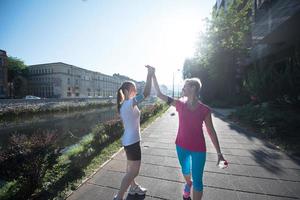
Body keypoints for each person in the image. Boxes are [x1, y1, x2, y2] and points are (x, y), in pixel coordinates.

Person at [152, 71, 227, 200]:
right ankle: (188, 183)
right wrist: (153, 75)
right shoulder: (179, 104)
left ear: (193, 88)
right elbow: (159, 94)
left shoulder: (205, 110)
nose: (182, 88)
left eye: (185, 86)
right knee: (186, 172)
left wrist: (219, 154)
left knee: (198, 180)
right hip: (181, 146)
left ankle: (192, 184)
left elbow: (211, 132)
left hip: (199, 149)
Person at [113, 66, 155, 200]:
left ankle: (134, 187)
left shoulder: (124, 105)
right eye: (133, 89)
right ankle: (119, 197)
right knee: (134, 171)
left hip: (128, 141)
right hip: (132, 142)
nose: (136, 91)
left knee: (130, 169)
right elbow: (147, 93)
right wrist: (150, 75)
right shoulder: (129, 103)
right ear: (126, 91)